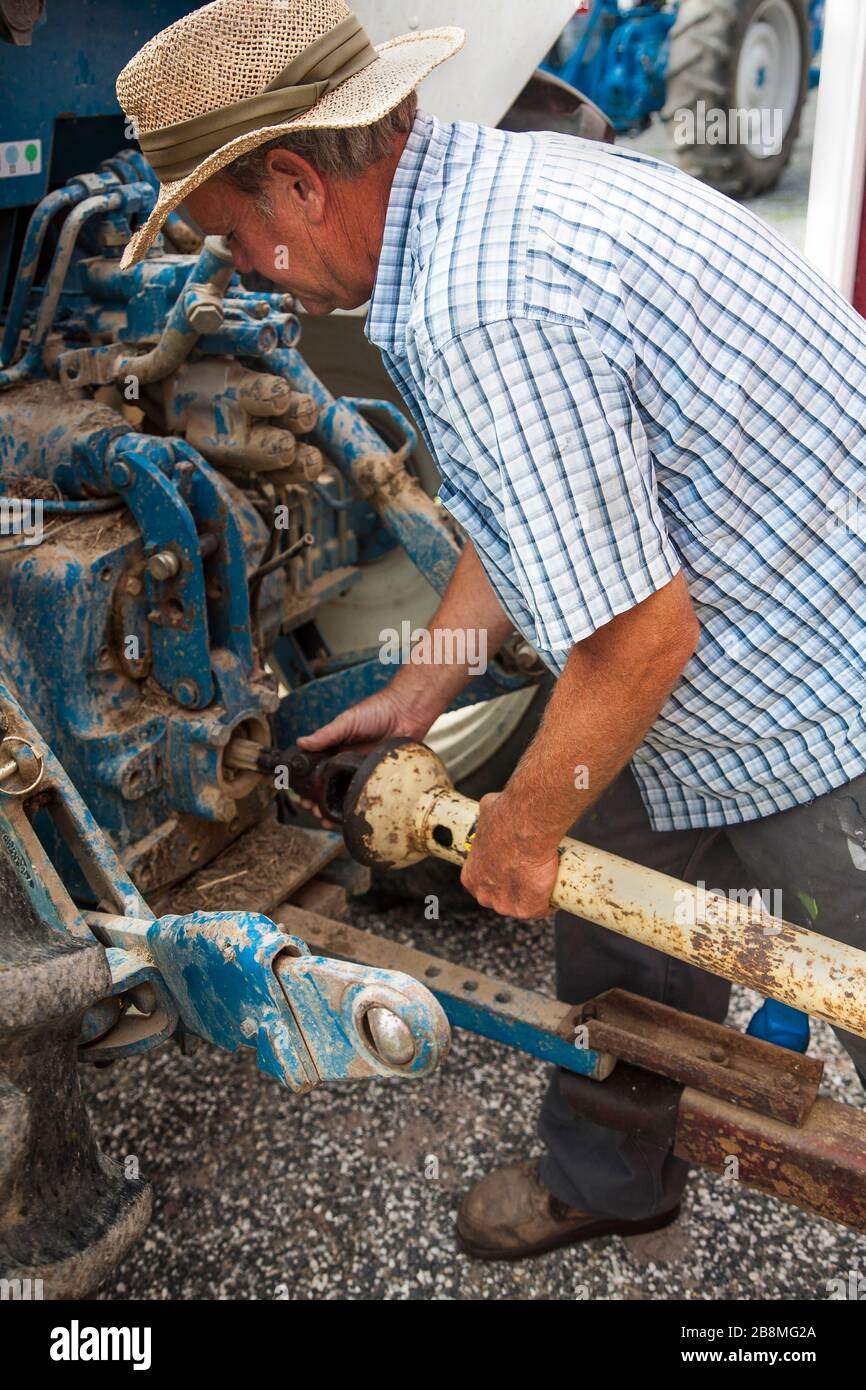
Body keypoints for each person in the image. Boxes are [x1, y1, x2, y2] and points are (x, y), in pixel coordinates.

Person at [118, 0, 866, 1260]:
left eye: (228, 230)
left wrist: (521, 824)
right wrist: (424, 691)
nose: (233, 267)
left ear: (298, 183)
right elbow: (529, 511)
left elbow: (636, 640)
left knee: (827, 963)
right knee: (615, 925)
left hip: (816, 686)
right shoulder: (484, 197)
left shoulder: (479, 305)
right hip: (704, 651)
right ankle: (610, 1172)